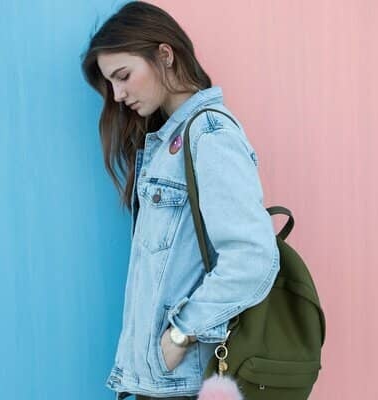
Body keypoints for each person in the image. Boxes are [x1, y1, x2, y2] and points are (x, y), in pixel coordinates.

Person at [81, 2, 279, 399]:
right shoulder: (166, 143)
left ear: (164, 55)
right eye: (111, 84)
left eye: (123, 76)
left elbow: (253, 257)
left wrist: (181, 333)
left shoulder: (209, 134)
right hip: (159, 381)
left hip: (185, 382)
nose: (118, 95)